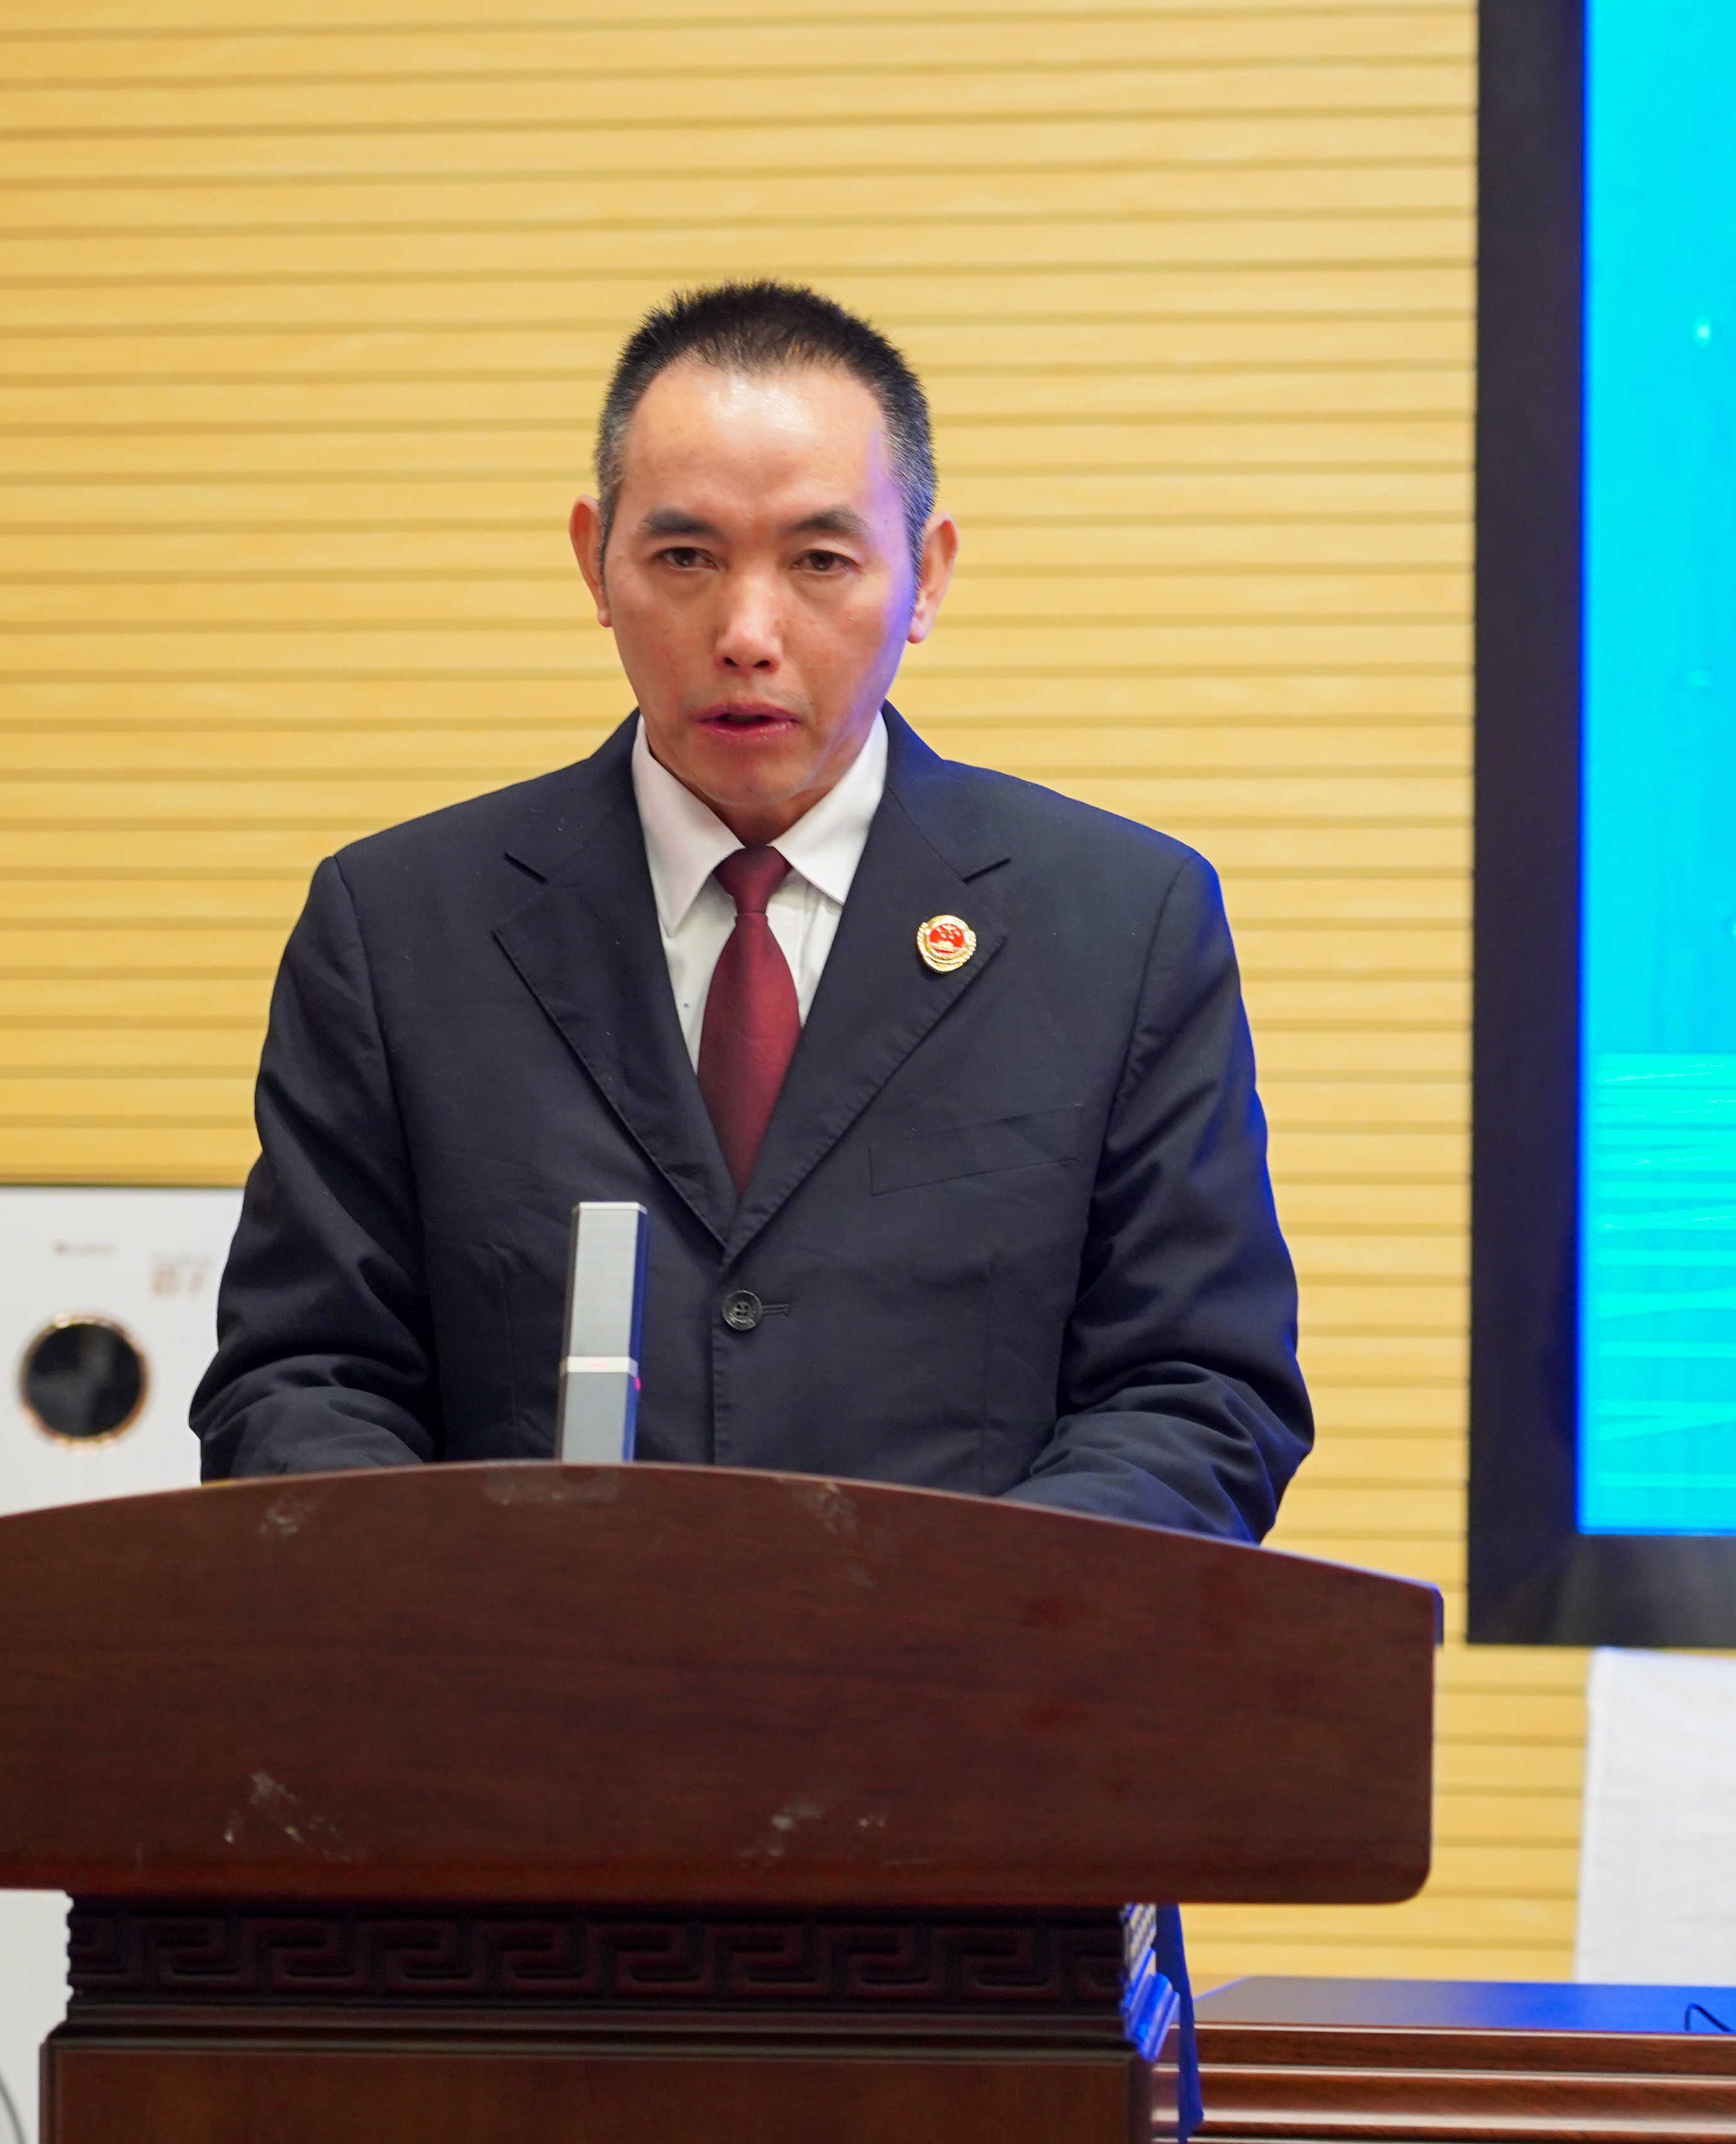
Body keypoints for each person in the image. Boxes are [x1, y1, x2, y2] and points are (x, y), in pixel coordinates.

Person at [190, 281, 1311, 1540]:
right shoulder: (399, 929)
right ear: (594, 562)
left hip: (969, 1660)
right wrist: (483, 1610)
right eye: (685, 558)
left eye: (820, 560)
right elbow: (303, 1379)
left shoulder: (1121, 925)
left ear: (926, 576)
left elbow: (1198, 1394)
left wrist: (968, 1613)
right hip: (522, 1657)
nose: (747, 632)